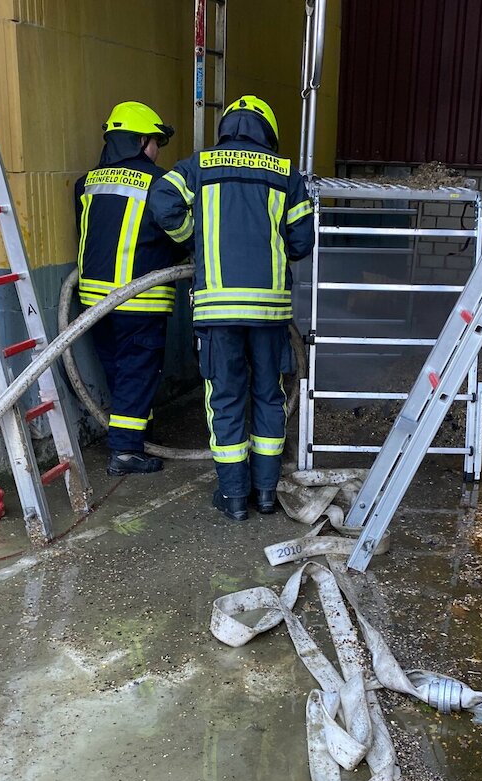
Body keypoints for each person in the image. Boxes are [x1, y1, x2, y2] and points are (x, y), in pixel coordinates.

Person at [148, 95, 314, 520]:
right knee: (268, 396)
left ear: (227, 128)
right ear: (269, 133)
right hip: (270, 312)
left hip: (216, 308)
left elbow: (163, 201)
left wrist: (195, 239)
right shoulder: (285, 174)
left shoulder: (198, 166)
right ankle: (264, 493)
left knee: (224, 397)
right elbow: (301, 242)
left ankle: (235, 498)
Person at [75, 101, 185, 475]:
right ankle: (125, 452)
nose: (157, 151)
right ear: (141, 141)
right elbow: (174, 233)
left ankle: (138, 433)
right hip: (141, 299)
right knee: (138, 371)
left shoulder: (87, 182)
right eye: (156, 142)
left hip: (93, 304)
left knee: (121, 373)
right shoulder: (160, 184)